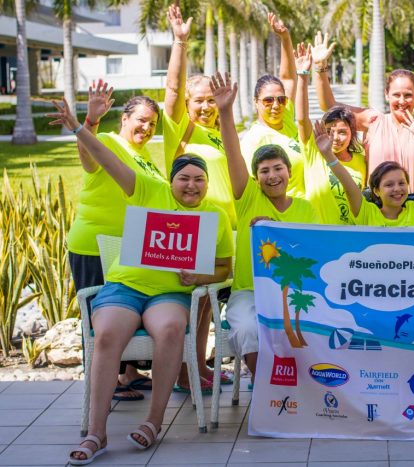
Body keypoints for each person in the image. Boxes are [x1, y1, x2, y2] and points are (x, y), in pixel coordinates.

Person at [48, 99, 233, 465]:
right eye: (184, 178)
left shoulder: (214, 216)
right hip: (126, 286)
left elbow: (224, 267)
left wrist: (200, 276)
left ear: (207, 185)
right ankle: (96, 432)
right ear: (172, 180)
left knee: (168, 331)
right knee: (108, 334)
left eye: (199, 180)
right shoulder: (149, 190)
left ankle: (153, 422)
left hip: (169, 293)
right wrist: (79, 126)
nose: (191, 185)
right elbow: (105, 158)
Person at [209, 72, 319, 381]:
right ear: (256, 178)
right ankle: (265, 385)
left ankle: (304, 386)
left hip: (294, 290)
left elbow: (311, 249)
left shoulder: (304, 208)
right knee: (245, 328)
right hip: (248, 291)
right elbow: (233, 153)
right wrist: (226, 112)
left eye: (278, 169)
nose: (272, 176)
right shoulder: (248, 198)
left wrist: (276, 229)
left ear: (288, 172)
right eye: (265, 171)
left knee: (310, 326)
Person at [68, 80, 164, 403]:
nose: (147, 127)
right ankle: (99, 389)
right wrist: (90, 122)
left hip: (130, 251)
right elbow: (88, 158)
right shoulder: (106, 141)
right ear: (124, 119)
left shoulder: (146, 154)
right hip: (94, 245)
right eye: (141, 120)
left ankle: (128, 373)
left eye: (152, 123)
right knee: (99, 320)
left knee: (125, 311)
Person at [162, 3, 235, 391]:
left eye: (211, 100)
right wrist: (180, 42)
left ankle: (197, 367)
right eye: (199, 101)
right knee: (191, 305)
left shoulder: (220, 133)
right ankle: (183, 372)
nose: (205, 107)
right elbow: (171, 92)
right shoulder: (179, 133)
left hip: (219, 228)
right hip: (189, 228)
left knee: (205, 305)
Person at [312, 15, 414, 193]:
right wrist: (320, 67)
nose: (402, 101)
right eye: (396, 95)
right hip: (377, 207)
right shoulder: (373, 120)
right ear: (387, 95)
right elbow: (329, 105)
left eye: (408, 95)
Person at [312, 103, 414, 227]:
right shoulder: (366, 213)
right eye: (389, 184)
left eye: (402, 183)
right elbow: (348, 185)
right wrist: (328, 155)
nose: (397, 189)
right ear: (376, 191)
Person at [294, 42, 366, 225]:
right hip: (319, 235)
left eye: (342, 132)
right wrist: (303, 75)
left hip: (351, 237)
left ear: (352, 133)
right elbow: (302, 119)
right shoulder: (315, 152)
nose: (335, 137)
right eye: (329, 132)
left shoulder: (361, 159)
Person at [240, 13, 306, 197]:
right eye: (268, 100)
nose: (276, 105)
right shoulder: (254, 139)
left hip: (304, 210)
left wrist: (285, 38)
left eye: (281, 99)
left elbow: (288, 79)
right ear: (256, 102)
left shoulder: (285, 117)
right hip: (281, 217)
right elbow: (248, 187)